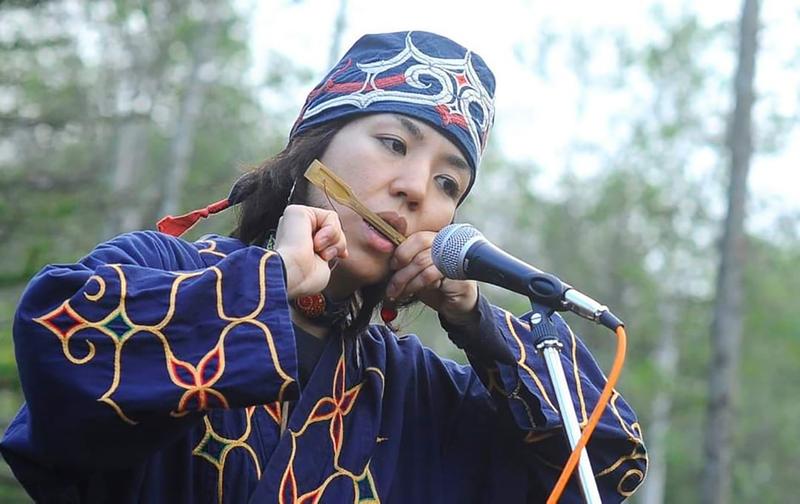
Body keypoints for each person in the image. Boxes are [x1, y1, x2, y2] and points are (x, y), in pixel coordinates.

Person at [0, 31, 646, 503]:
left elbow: (610, 467)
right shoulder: (165, 269)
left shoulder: (418, 389)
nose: (418, 190)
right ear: (316, 147)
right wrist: (273, 283)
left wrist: (481, 325)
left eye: (449, 184)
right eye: (394, 144)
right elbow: (63, 345)